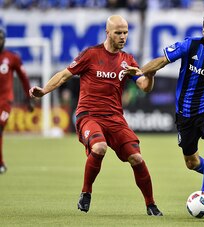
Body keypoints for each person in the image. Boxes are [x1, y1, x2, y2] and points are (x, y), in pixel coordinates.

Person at [29, 15, 163, 216]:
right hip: (88, 115)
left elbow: (144, 87)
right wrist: (44, 91)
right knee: (99, 147)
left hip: (115, 118)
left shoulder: (128, 61)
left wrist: (150, 75)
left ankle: (151, 205)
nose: (123, 37)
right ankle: (86, 192)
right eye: (118, 33)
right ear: (107, 33)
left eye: (125, 32)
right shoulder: (90, 55)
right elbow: (64, 75)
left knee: (136, 158)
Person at [124, 12, 204, 198]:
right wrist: (139, 71)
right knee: (191, 163)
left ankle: (203, 196)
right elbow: (161, 61)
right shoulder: (190, 45)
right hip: (185, 112)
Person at [0, 28, 34, 174]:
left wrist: (29, 98)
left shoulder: (12, 57)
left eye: (0, 38)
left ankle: (0, 163)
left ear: (4, 40)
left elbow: (24, 78)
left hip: (5, 101)